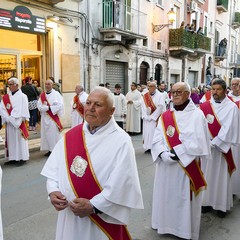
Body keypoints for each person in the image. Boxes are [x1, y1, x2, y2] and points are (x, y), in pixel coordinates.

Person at [41, 86, 144, 240]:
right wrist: (52, 191)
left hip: (99, 221)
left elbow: (122, 183)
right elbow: (53, 169)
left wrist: (94, 206)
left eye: (98, 105)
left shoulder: (121, 141)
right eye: (88, 103)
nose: (90, 108)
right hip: (68, 216)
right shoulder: (71, 135)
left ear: (111, 110)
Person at [151, 82, 210, 240]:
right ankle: (164, 224)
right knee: (166, 197)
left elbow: (200, 142)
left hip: (185, 167)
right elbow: (157, 138)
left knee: (182, 200)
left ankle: (183, 230)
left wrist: (177, 153)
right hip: (165, 167)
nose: (175, 95)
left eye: (179, 92)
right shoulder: (165, 116)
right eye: (173, 92)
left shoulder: (197, 115)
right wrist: (162, 153)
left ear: (188, 94)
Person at [200, 79, 240, 218]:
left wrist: (213, 143)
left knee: (220, 177)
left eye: (218, 89)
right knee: (206, 174)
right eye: (213, 89)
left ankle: (221, 206)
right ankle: (205, 203)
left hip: (221, 150)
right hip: (206, 149)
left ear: (225, 90)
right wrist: (204, 141)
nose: (215, 92)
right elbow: (199, 126)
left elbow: (229, 129)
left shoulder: (231, 107)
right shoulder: (205, 105)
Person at [0, 77, 30, 167]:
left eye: (10, 84)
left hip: (19, 123)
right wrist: (7, 118)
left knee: (20, 140)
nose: (9, 86)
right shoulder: (5, 97)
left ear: (16, 85)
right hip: (10, 123)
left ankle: (22, 158)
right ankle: (12, 158)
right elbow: (2, 109)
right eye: (8, 84)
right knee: (11, 141)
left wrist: (15, 119)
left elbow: (24, 110)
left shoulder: (23, 96)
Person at [38, 79, 64, 157]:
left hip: (52, 118)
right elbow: (38, 104)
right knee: (46, 135)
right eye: (46, 84)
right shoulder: (42, 95)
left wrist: (49, 108)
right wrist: (41, 108)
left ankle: (55, 150)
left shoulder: (56, 94)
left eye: (49, 84)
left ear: (52, 85)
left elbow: (60, 105)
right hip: (44, 117)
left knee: (53, 135)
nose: (47, 85)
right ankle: (50, 149)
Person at [141, 82, 165, 153]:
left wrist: (152, 117)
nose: (149, 88)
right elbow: (142, 106)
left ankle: (153, 147)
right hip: (146, 119)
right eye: (149, 86)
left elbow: (160, 107)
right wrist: (145, 116)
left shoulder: (160, 95)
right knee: (146, 132)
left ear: (155, 87)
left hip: (155, 119)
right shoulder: (145, 96)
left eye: (151, 86)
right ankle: (147, 147)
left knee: (153, 132)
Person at [227, 78, 240, 196]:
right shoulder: (227, 99)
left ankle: (236, 189)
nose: (234, 86)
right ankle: (229, 189)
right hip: (228, 135)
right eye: (233, 84)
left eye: (237, 84)